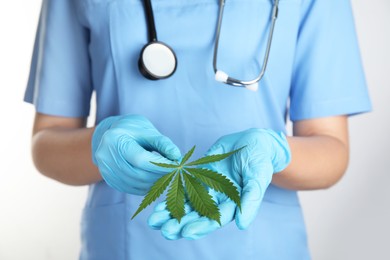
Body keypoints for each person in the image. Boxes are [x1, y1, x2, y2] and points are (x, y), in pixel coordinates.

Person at [24, 0, 371, 259]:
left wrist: (274, 152)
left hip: (262, 244)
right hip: (124, 243)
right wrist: (101, 145)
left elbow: (332, 150)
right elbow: (47, 140)